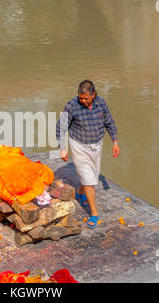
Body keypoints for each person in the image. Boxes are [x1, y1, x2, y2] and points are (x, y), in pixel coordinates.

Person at [56, 79, 119, 229]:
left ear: (93, 95)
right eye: (80, 98)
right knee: (89, 180)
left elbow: (109, 122)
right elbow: (61, 127)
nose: (83, 101)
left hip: (97, 144)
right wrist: (63, 147)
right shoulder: (72, 106)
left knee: (94, 175)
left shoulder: (101, 103)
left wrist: (115, 142)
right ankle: (94, 214)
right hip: (79, 146)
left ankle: (79, 192)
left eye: (86, 98)